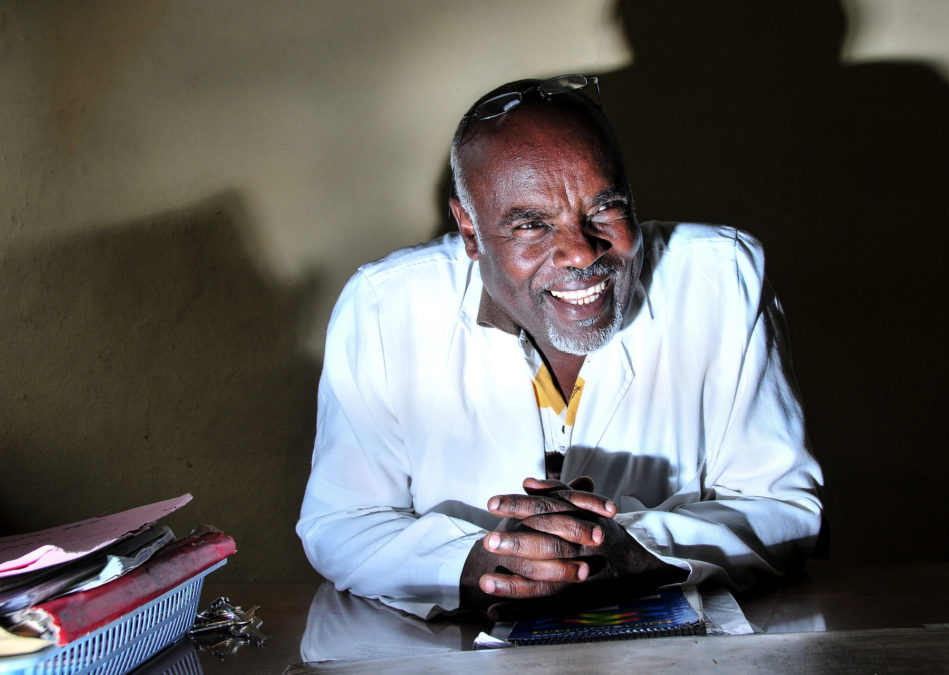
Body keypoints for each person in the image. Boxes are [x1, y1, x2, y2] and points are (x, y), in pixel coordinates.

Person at [296, 75, 823, 620]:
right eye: (531, 225)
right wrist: (480, 563)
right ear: (470, 231)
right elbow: (342, 522)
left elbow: (785, 509)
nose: (578, 252)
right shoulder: (385, 306)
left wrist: (640, 551)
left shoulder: (723, 279)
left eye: (604, 209)